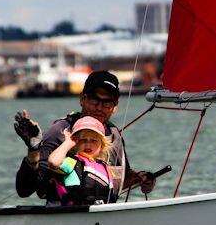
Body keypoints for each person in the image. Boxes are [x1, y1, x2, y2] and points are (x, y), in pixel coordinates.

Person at [14, 70, 154, 205]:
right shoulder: (60, 132)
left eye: (107, 102)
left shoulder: (114, 135)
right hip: (66, 216)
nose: (99, 107)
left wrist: (140, 178)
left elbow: (119, 178)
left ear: (115, 106)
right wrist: (33, 151)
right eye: (94, 100)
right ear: (82, 98)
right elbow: (25, 190)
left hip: (105, 216)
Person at [47, 116, 116, 206]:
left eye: (94, 140)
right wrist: (68, 143)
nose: (88, 143)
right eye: (83, 140)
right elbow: (53, 162)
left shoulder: (106, 168)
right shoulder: (72, 163)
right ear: (75, 142)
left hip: (102, 214)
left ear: (102, 145)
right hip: (76, 214)